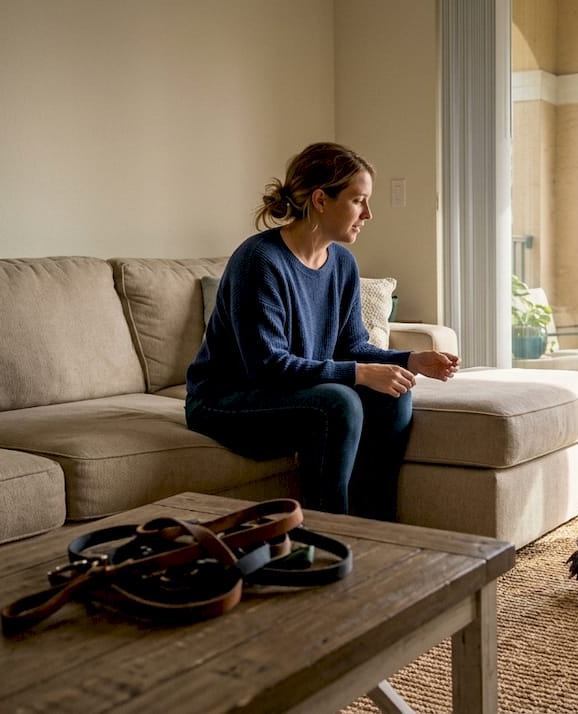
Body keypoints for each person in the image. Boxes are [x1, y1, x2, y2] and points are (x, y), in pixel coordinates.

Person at [185, 142, 459, 521]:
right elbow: (267, 365)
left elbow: (351, 346)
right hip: (224, 402)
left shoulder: (342, 263)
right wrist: (359, 374)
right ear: (320, 199)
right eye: (358, 200)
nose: (368, 214)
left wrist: (410, 360)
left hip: (287, 394)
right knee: (339, 401)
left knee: (395, 393)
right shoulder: (259, 261)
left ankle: (378, 530)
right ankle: (331, 534)